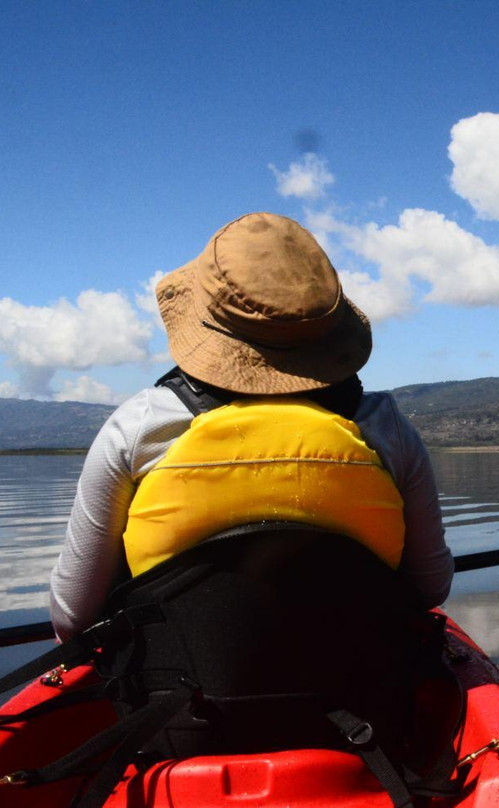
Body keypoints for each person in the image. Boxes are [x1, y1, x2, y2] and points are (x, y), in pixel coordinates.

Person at [49, 212, 453, 642]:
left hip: (184, 678)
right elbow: (430, 587)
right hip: (359, 672)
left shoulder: (140, 426)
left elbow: (73, 616)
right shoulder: (385, 426)